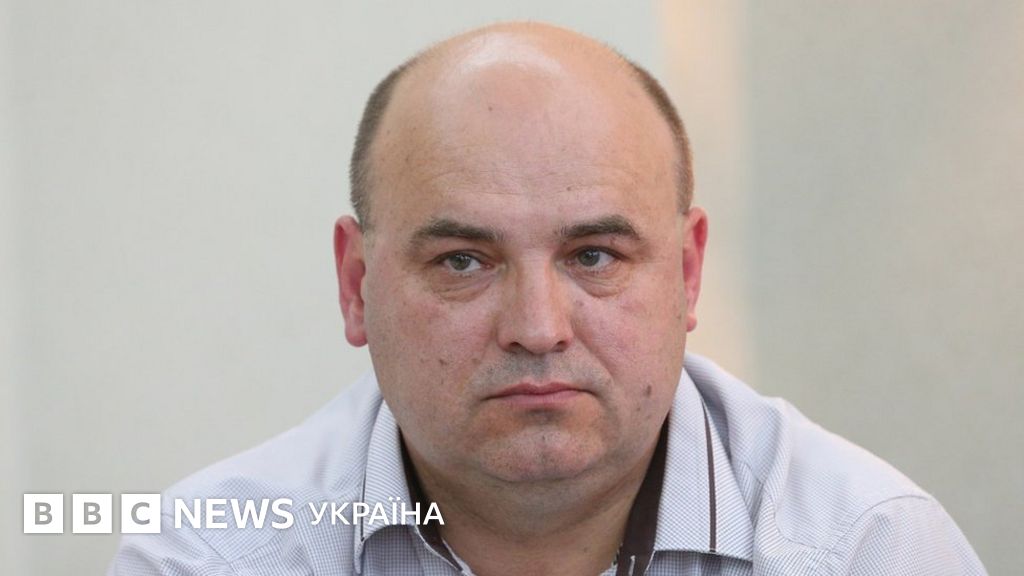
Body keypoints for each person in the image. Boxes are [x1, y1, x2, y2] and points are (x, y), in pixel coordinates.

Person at [109, 21, 986, 576]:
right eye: (463, 262)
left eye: (594, 256)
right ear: (356, 286)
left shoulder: (869, 549)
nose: (537, 328)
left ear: (687, 274)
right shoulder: (213, 556)